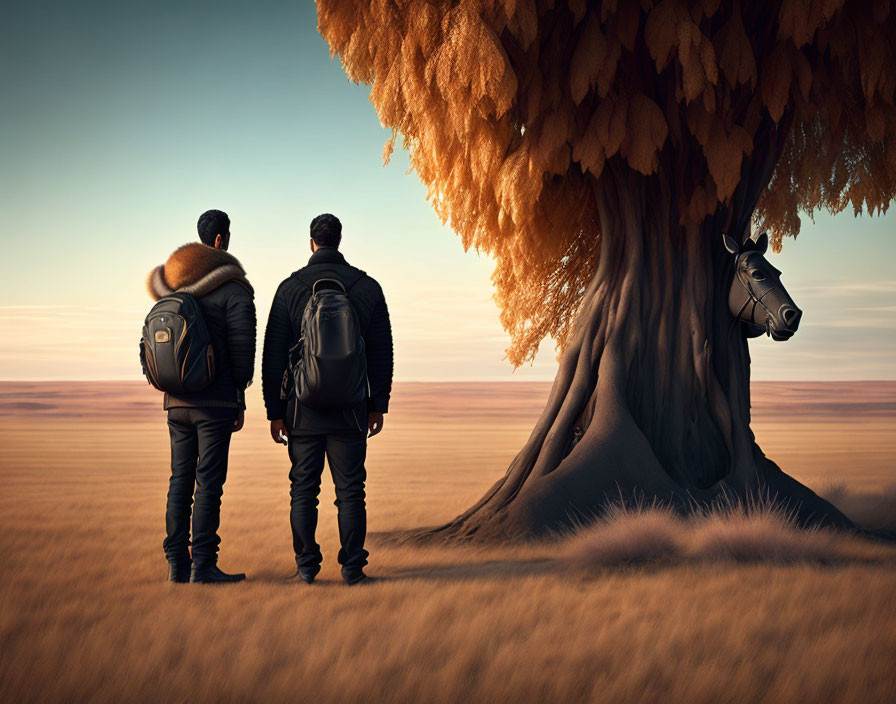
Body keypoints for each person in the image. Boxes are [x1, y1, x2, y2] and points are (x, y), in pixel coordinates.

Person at [262, 213, 393, 586]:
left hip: (302, 411)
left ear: (311, 243)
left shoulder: (290, 289)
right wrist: (377, 404)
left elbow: (272, 355)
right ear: (339, 241)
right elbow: (382, 351)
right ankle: (352, 567)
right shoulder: (367, 288)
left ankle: (306, 567)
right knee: (350, 491)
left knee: (304, 490)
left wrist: (275, 411)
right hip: (351, 411)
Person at [146, 209, 256, 583]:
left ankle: (177, 563)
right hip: (216, 403)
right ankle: (203, 565)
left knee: (180, 479)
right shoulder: (233, 287)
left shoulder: (172, 285)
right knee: (209, 482)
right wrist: (239, 394)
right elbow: (243, 348)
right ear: (221, 241)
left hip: (175, 402)